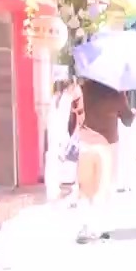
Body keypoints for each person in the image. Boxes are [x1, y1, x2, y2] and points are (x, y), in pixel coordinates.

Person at [71, 76, 133, 243]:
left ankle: (84, 226)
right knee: (103, 187)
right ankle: (96, 227)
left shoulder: (81, 91)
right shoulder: (115, 93)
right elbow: (127, 120)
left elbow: (72, 119)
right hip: (107, 145)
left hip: (85, 144)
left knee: (85, 187)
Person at [45, 78, 80, 206]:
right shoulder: (65, 99)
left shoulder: (57, 99)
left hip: (55, 134)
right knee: (55, 161)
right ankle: (53, 191)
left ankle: (53, 190)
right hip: (59, 134)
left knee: (53, 160)